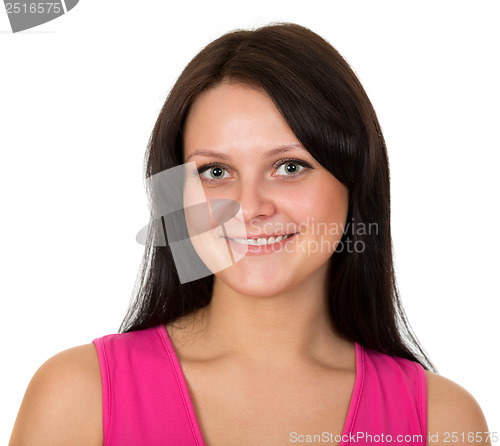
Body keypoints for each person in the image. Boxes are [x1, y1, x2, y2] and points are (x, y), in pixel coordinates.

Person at [9, 23, 491, 446]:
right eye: (215, 172)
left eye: (289, 166)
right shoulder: (77, 397)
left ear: (354, 180)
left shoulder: (441, 423)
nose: (251, 208)